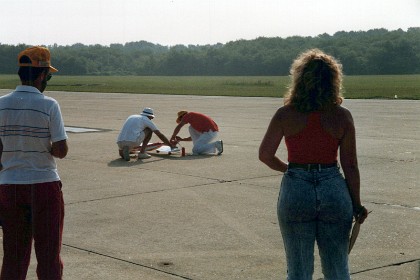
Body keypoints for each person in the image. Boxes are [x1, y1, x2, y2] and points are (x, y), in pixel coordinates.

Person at [259, 49, 368, 280]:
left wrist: (288, 169)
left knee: (298, 270)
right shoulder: (342, 116)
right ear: (333, 81)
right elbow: (351, 165)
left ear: (299, 79)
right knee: (337, 268)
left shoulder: (285, 114)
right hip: (333, 189)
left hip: (297, 189)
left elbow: (265, 155)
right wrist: (356, 204)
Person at [0, 46, 68, 279]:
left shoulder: (0, 104)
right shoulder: (49, 105)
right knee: (49, 256)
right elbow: (61, 150)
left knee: (13, 256)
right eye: (47, 76)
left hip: (9, 187)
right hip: (44, 186)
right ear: (41, 76)